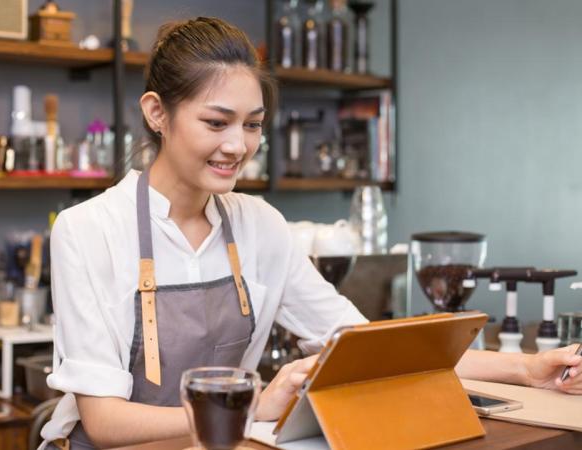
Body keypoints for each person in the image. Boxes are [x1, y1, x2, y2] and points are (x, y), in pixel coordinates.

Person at [39, 17, 582, 450]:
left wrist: (528, 368)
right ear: (157, 113)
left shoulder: (258, 225)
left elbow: (370, 347)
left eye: (252, 124)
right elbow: (104, 422)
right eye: (216, 122)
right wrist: (253, 408)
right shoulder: (88, 231)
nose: (238, 145)